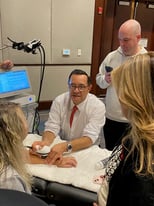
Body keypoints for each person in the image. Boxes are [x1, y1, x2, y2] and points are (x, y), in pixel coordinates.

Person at [94, 52, 154, 206]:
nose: (119, 97)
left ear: (136, 96)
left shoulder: (144, 160)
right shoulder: (133, 133)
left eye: (122, 89)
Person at [0, 102, 77, 194]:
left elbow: (21, 155)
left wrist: (51, 160)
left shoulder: (5, 149)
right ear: (15, 128)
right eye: (24, 117)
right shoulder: (9, 179)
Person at [32, 69, 106, 164]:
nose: (76, 90)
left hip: (86, 149)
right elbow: (51, 127)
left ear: (89, 88)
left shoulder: (97, 106)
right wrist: (45, 142)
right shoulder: (59, 101)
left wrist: (65, 146)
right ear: (68, 85)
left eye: (81, 87)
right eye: (73, 86)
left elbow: (89, 138)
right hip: (64, 147)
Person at [96, 19, 147, 151]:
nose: (121, 44)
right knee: (110, 154)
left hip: (135, 121)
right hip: (111, 118)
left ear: (138, 38)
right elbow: (99, 80)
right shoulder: (111, 57)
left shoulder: (146, 61)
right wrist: (105, 80)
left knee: (131, 158)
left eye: (126, 40)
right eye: (120, 39)